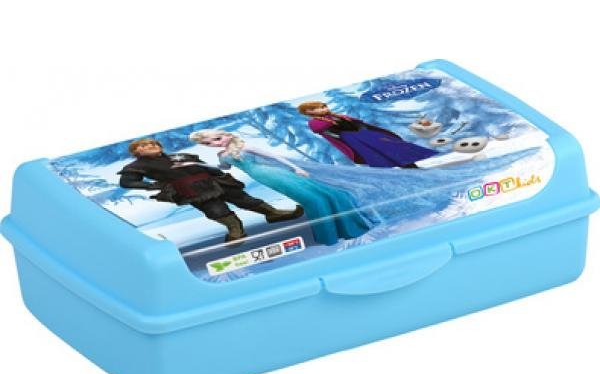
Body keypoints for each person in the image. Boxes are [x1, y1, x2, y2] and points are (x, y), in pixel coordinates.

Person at [189, 130, 373, 246]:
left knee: (317, 197)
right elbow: (224, 168)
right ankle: (333, 232)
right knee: (312, 199)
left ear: (228, 135)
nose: (216, 143)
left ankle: (342, 229)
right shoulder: (222, 155)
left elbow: (275, 157)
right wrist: (199, 165)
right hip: (266, 178)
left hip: (277, 173)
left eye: (217, 139)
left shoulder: (245, 146)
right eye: (208, 143)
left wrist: (296, 168)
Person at [118, 138, 303, 243]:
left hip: (216, 181)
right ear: (136, 152)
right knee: (216, 209)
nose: (149, 147)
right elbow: (127, 182)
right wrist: (153, 186)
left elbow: (203, 165)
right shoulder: (137, 166)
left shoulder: (181, 156)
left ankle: (274, 214)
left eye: (153, 144)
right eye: (143, 146)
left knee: (245, 199)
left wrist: (218, 173)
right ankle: (236, 229)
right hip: (191, 189)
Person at [297, 101, 438, 168]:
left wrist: (363, 128)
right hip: (354, 139)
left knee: (393, 146)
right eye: (316, 109)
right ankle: (406, 167)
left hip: (364, 134)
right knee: (379, 152)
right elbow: (327, 131)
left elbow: (356, 122)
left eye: (323, 106)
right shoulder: (316, 123)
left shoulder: (336, 116)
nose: (322, 109)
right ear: (308, 112)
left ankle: (410, 164)